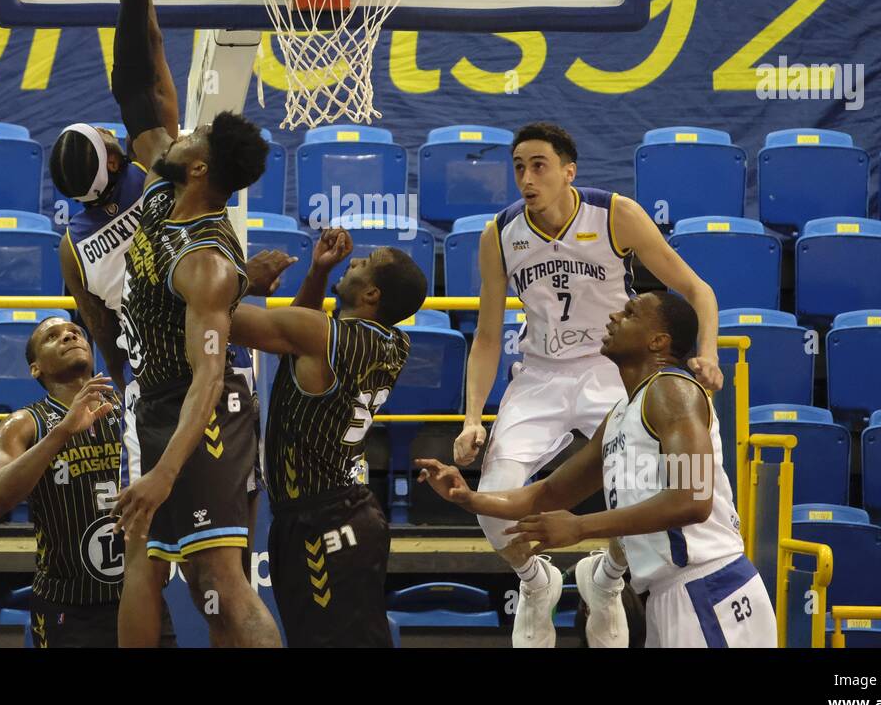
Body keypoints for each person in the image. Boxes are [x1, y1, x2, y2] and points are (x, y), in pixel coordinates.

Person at [52, 0, 291, 646]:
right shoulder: (165, 181)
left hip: (204, 413)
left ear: (199, 171)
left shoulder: (207, 265)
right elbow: (140, 78)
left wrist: (161, 472)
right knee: (153, 567)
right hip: (154, 400)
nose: (178, 130)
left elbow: (212, 378)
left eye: (194, 137)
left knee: (223, 577)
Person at [455, 122, 724, 648]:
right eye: (518, 168)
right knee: (492, 497)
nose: (527, 178)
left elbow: (698, 289)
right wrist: (471, 418)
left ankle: (606, 580)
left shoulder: (615, 214)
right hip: (539, 376)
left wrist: (707, 351)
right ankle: (536, 583)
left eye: (539, 166)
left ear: (568, 171)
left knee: (643, 493)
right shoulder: (500, 234)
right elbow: (487, 337)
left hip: (610, 369)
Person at [420, 291, 776, 649]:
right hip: (666, 595)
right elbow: (547, 493)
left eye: (630, 313)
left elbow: (693, 501)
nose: (613, 317)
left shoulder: (673, 390)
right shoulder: (622, 413)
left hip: (709, 586)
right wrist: (467, 497)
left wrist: (579, 527)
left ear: (658, 341)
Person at [227, 230, 428, 647]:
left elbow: (229, 322)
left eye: (364, 262)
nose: (354, 261)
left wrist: (241, 279)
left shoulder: (323, 337)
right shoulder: (395, 342)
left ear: (371, 293)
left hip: (322, 520)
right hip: (342, 510)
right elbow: (293, 339)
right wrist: (319, 270)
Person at [0, 318, 124, 647]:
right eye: (52, 336)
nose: (70, 335)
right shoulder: (22, 425)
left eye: (75, 331)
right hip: (70, 604)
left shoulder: (131, 408)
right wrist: (61, 432)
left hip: (139, 593)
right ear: (35, 368)